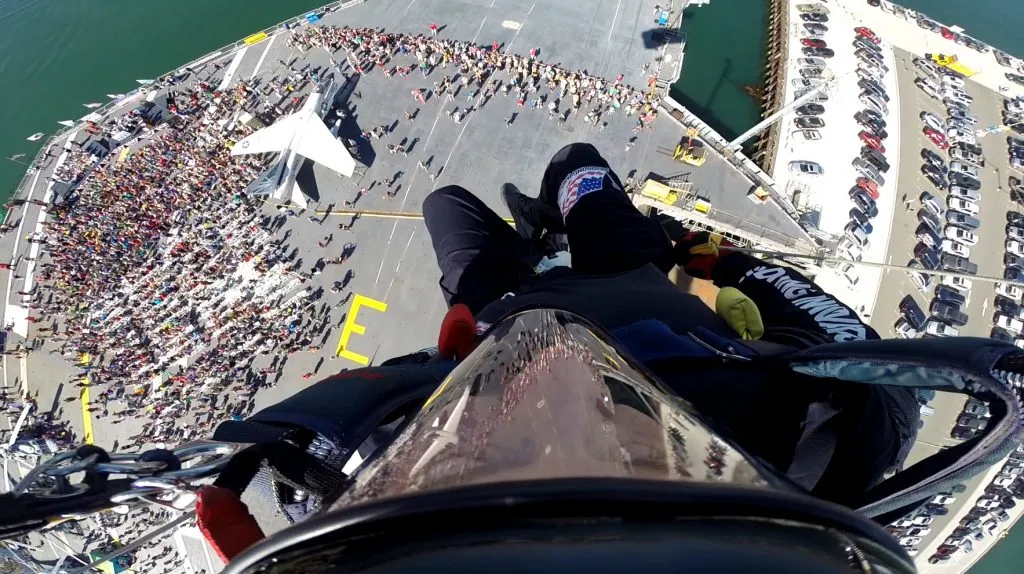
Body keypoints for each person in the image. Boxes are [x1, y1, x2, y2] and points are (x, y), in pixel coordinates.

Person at [199, 144, 1024, 572]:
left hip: (524, 305)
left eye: (497, 470)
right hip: (627, 280)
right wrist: (709, 261)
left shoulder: (339, 475)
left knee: (450, 202)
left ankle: (542, 239)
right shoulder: (846, 423)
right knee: (570, 170)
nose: (567, 392)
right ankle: (554, 230)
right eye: (638, 457)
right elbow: (835, 329)